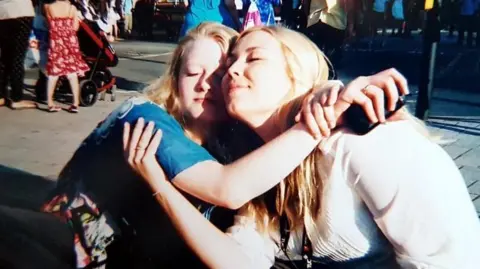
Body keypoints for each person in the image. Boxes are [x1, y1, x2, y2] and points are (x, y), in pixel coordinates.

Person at [40, 22, 406, 268]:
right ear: (173, 80)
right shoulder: (143, 116)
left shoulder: (235, 147)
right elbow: (226, 189)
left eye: (218, 74)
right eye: (192, 73)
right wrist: (325, 116)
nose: (207, 84)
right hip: (58, 250)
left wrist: (324, 94)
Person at [126, 25, 480, 269]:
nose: (232, 70)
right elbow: (239, 260)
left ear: (296, 72)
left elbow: (452, 258)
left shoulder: (362, 142)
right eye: (232, 61)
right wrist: (159, 184)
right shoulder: (259, 170)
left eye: (254, 58)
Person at [44, 0, 90, 113]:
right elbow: (75, 27)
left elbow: (48, 25)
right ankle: (75, 103)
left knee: (53, 73)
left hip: (56, 42)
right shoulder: (72, 9)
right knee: (72, 74)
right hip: (70, 43)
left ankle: (50, 103)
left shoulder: (48, 7)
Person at [0, 0, 38, 109]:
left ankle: (1, 95)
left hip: (2, 12)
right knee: (17, 57)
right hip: (21, 12)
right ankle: (16, 98)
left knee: (4, 58)